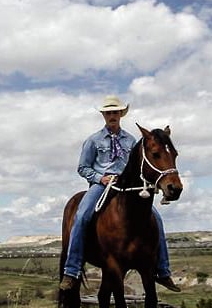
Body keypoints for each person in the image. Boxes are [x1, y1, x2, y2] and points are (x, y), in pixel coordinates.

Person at [59, 94, 180, 292]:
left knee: (156, 219)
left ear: (121, 114)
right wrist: (101, 178)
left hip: (126, 186)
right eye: (108, 112)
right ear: (103, 115)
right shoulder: (93, 140)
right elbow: (83, 168)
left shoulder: (131, 140)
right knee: (81, 215)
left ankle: (163, 271)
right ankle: (71, 271)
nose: (112, 115)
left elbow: (139, 165)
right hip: (102, 185)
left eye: (115, 112)